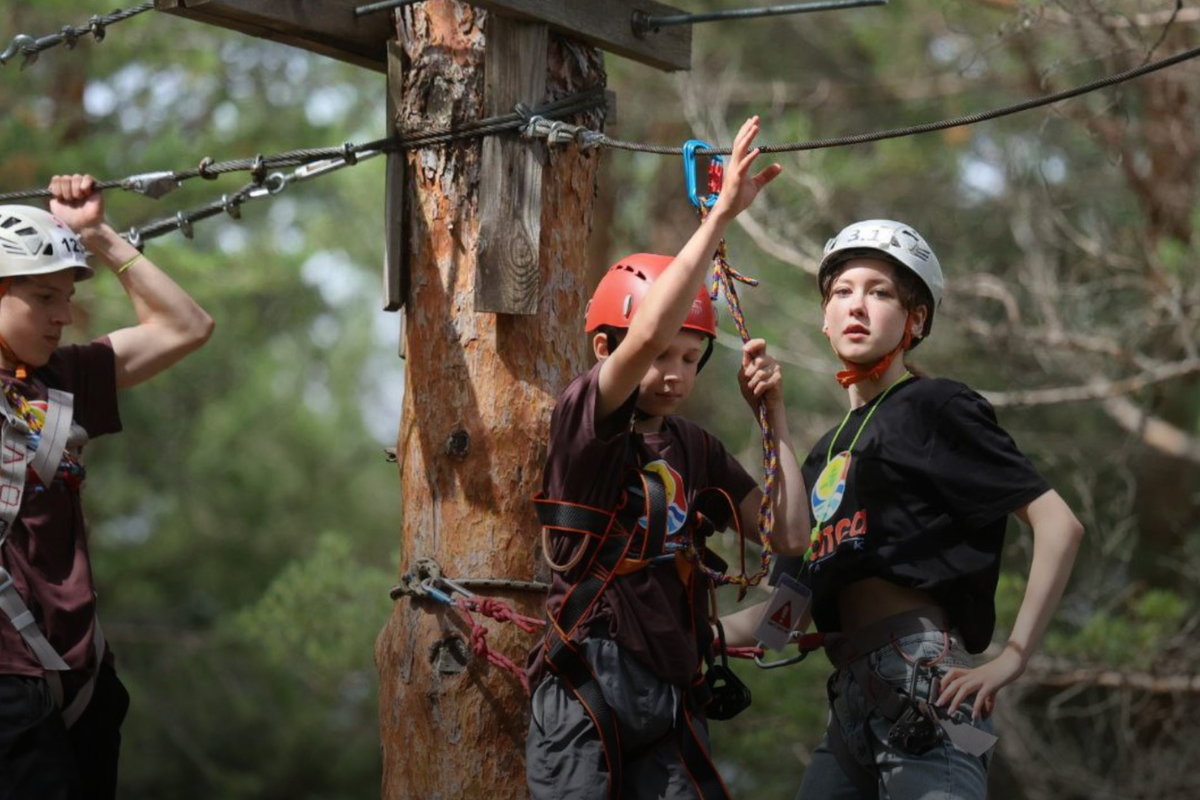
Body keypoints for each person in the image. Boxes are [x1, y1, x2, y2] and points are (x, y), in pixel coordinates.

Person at [725, 219, 1084, 798]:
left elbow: (1059, 523)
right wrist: (675, 632)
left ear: (915, 320)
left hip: (930, 684)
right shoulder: (824, 454)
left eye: (880, 292)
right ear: (824, 317)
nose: (857, 306)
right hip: (851, 704)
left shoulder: (933, 406)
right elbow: (780, 623)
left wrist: (1012, 659)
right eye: (842, 292)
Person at [524, 116, 807, 800]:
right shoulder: (588, 422)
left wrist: (774, 420)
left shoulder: (694, 448)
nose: (676, 372)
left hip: (673, 689)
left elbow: (788, 537)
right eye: (661, 356)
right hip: (590, 681)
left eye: (691, 357)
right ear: (607, 350)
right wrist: (715, 223)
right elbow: (644, 333)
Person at [0, 174, 214, 799]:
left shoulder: (63, 379)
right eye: (44, 297)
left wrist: (97, 235)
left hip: (84, 681)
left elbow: (186, 326)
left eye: (66, 296)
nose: (64, 315)